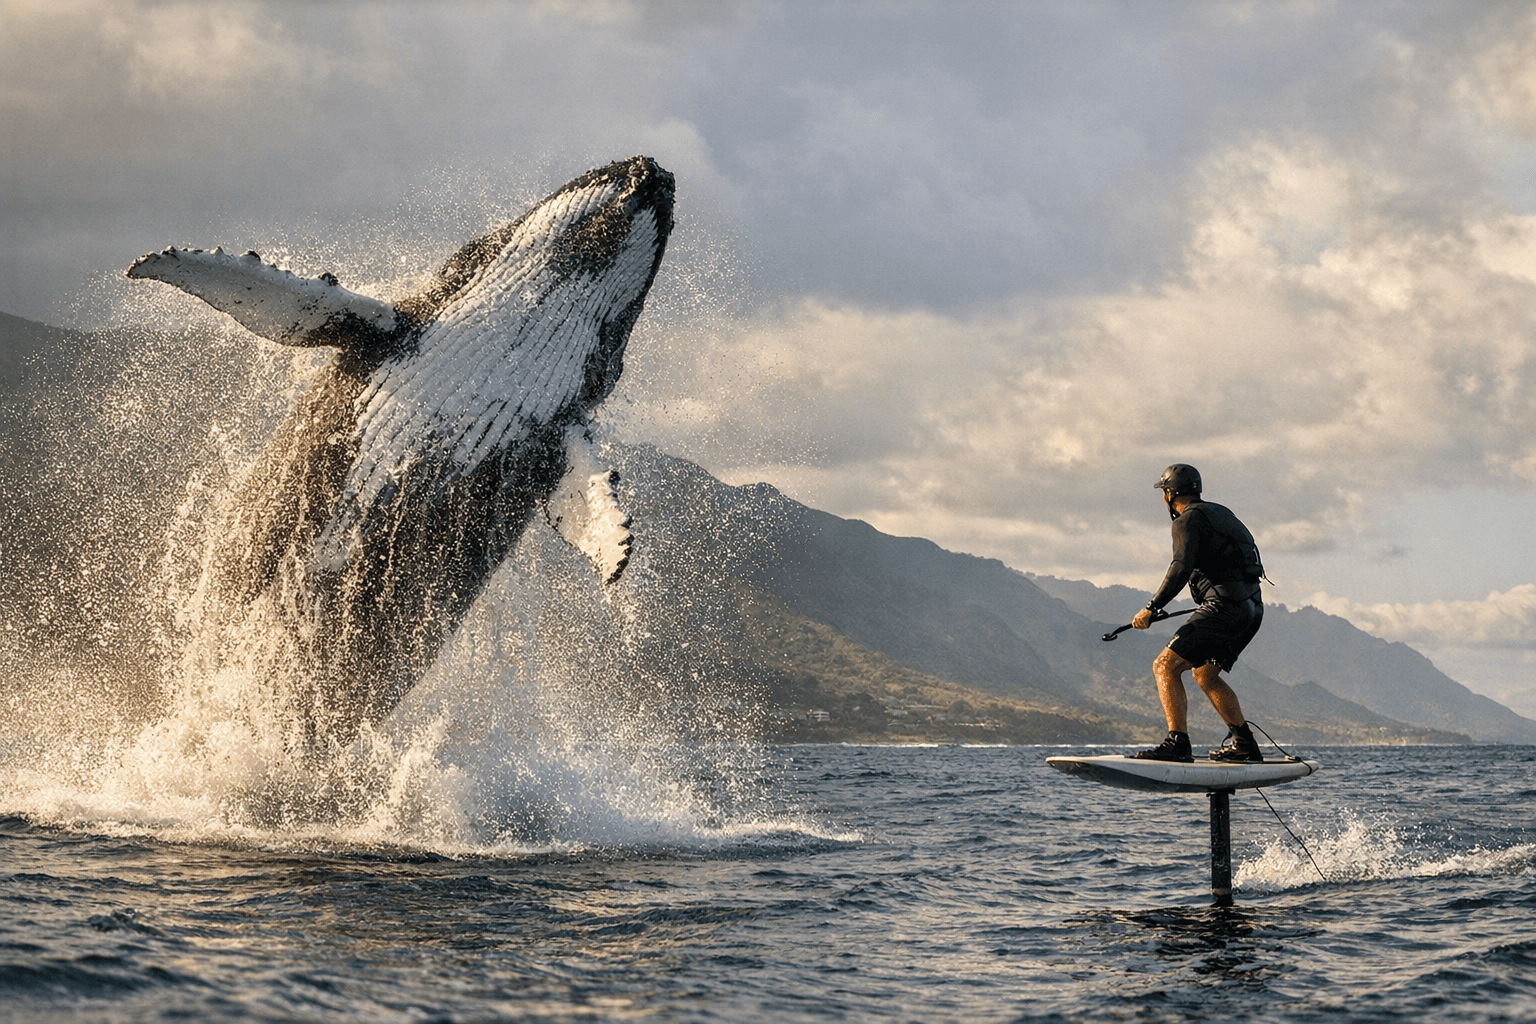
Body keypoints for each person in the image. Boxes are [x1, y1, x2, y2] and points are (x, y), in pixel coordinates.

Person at [1131, 464, 1266, 763]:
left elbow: (1181, 566)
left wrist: (1152, 607)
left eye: (1163, 492)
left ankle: (1177, 743)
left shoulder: (1186, 520)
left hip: (1224, 607)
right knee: (1205, 674)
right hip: (1252, 609)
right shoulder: (1220, 513)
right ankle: (1244, 743)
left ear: (1169, 494)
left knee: (1165, 666)